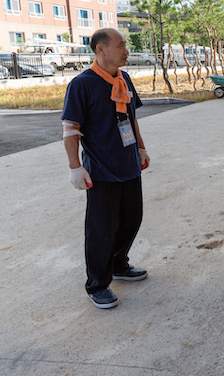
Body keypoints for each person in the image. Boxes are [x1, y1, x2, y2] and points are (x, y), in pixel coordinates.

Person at [62, 28, 151, 309]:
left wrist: (140, 147)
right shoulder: (82, 84)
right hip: (101, 171)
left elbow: (130, 117)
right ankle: (97, 284)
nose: (126, 50)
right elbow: (70, 130)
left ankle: (118, 264)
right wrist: (75, 167)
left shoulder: (123, 78)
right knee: (101, 230)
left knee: (132, 218)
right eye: (121, 45)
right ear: (101, 50)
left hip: (128, 164)